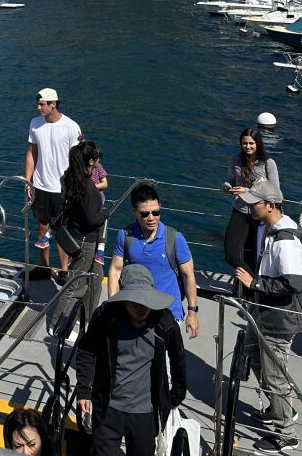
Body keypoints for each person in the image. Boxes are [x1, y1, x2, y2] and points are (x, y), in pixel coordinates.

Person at [75, 263, 187, 456]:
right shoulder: (105, 317)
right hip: (108, 408)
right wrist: (84, 389)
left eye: (145, 301)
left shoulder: (166, 324)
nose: (141, 307)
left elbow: (178, 358)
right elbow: (86, 349)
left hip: (145, 413)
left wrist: (176, 395)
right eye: (134, 301)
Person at [233, 179, 302, 455]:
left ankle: (286, 433)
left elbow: (292, 284)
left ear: (270, 205)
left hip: (278, 319)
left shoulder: (285, 240)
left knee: (276, 376)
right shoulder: (270, 230)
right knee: (254, 356)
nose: (250, 207)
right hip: (262, 313)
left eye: (255, 203)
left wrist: (254, 284)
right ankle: (280, 408)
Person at [108, 182, 200, 339]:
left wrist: (192, 312)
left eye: (156, 212)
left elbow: (188, 275)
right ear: (134, 212)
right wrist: (113, 306)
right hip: (136, 312)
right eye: (145, 214)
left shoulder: (175, 239)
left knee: (165, 363)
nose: (151, 218)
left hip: (168, 313)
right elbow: (115, 271)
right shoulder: (125, 236)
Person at [24, 88, 83, 280]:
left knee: (62, 231)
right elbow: (32, 153)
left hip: (62, 189)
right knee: (42, 227)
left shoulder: (71, 127)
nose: (38, 108)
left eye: (42, 104)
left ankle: (64, 270)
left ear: (53, 104)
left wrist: (74, 188)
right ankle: (44, 267)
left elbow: (78, 161)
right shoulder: (35, 124)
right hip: (40, 186)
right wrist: (28, 181)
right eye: (38, 104)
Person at [54, 141, 111, 321]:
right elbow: (91, 219)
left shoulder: (69, 177)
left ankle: (86, 317)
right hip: (86, 240)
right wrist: (105, 213)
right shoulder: (87, 186)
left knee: (95, 278)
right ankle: (57, 322)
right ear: (92, 161)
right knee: (76, 284)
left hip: (75, 234)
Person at [223, 128, 280, 283]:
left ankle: (251, 288)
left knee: (255, 256)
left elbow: (275, 192)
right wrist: (228, 186)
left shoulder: (268, 164)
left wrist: (247, 191)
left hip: (261, 215)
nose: (247, 146)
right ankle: (255, 283)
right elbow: (231, 179)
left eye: (251, 143)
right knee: (232, 254)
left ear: (258, 143)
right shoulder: (235, 160)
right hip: (240, 210)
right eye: (244, 143)